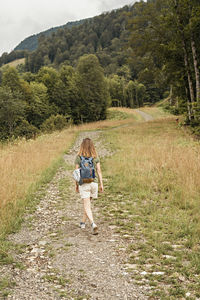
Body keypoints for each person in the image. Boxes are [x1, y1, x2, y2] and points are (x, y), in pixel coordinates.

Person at [75, 138, 104, 234]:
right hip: (94, 183)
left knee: (87, 206)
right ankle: (83, 222)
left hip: (84, 184)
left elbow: (76, 173)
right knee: (87, 205)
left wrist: (76, 185)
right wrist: (101, 184)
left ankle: (93, 224)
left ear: (82, 146)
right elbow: (99, 171)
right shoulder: (95, 157)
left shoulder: (79, 157)